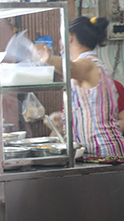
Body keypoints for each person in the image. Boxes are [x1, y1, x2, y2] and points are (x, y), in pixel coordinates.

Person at [36, 16, 124, 156]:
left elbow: (70, 67)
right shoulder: (88, 64)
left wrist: (48, 58)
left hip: (105, 151)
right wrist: (65, 121)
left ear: (69, 37)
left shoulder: (89, 64)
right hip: (89, 150)